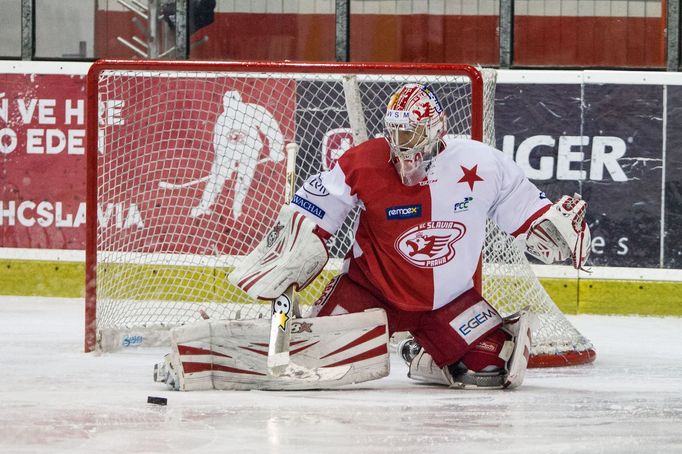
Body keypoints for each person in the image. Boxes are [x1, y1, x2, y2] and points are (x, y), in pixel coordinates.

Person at [229, 83, 591, 389]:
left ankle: (421, 355)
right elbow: (314, 210)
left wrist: (552, 230)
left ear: (439, 127)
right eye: (396, 134)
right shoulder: (364, 161)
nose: (403, 146)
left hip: (448, 302)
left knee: (493, 365)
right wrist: (296, 238)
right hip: (370, 293)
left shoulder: (483, 164)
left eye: (413, 134)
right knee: (311, 359)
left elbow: (530, 214)